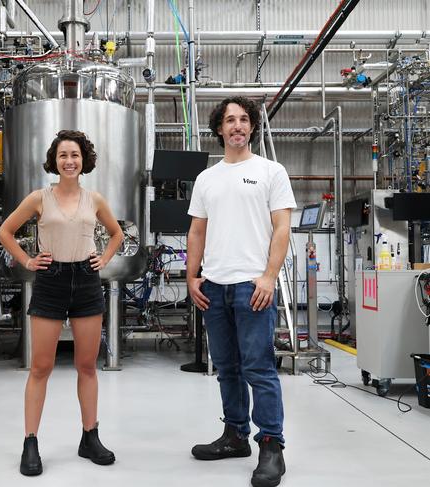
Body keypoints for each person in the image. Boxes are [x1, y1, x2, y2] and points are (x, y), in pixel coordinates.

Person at [0, 130, 124, 476]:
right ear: (54, 161)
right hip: (50, 281)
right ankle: (30, 441)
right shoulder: (39, 198)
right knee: (41, 367)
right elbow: (4, 231)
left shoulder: (94, 199)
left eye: (76, 155)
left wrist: (105, 259)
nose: (70, 161)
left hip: (85, 281)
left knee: (87, 366)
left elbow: (117, 233)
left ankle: (90, 436)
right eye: (63, 155)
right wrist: (27, 261)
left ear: (84, 161)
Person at [186, 97, 296, 487]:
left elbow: (281, 228)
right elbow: (197, 231)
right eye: (230, 120)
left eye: (244, 119)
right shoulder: (207, 178)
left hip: (253, 287)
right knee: (227, 369)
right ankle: (235, 435)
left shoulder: (271, 171)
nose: (237, 125)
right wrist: (192, 276)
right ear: (219, 129)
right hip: (214, 288)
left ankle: (271, 444)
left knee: (259, 368)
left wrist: (269, 276)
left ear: (252, 128)